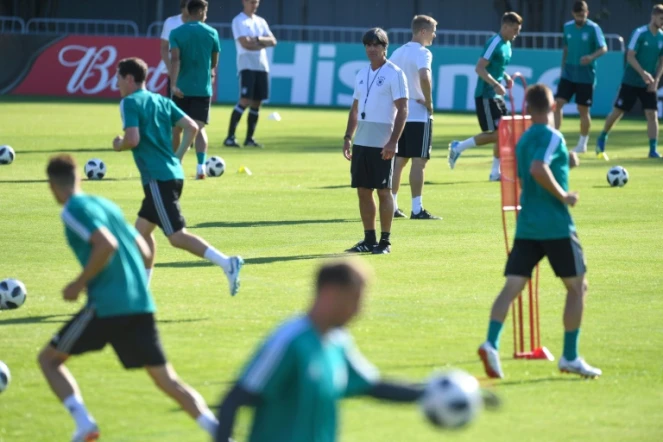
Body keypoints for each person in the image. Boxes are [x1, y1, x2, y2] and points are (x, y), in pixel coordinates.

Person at [38, 155, 219, 442]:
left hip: (108, 306)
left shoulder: (72, 210)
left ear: (52, 186)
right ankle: (221, 435)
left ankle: (84, 423)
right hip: (140, 304)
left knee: (49, 360)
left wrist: (79, 283)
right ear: (80, 177)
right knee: (168, 381)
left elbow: (106, 244)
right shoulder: (106, 205)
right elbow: (143, 249)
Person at [215, 259, 428, 442]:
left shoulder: (338, 342)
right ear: (330, 293)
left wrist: (430, 392)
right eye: (355, 299)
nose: (359, 310)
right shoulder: (290, 341)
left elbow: (372, 387)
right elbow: (233, 401)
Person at [477, 84, 601, 380]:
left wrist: (565, 160)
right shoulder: (553, 135)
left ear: (527, 108)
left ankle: (491, 342)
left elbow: (528, 168)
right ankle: (570, 356)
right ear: (554, 108)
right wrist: (564, 196)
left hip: (528, 224)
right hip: (555, 226)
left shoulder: (522, 139)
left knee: (512, 287)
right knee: (577, 287)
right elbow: (537, 169)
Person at [112, 57, 243, 296]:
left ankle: (227, 263)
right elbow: (192, 127)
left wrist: (119, 144)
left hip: (157, 178)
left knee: (176, 236)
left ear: (129, 79)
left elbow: (132, 140)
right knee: (141, 234)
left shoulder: (129, 103)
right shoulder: (161, 100)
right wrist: (179, 156)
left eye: (119, 77)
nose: (116, 82)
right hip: (171, 174)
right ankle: (142, 290)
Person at [342, 28, 408, 255]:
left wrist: (392, 142)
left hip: (383, 142)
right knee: (363, 190)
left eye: (376, 45)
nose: (372, 49)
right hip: (362, 140)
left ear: (385, 47)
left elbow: (403, 109)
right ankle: (368, 239)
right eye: (368, 45)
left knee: (383, 190)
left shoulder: (395, 73)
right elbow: (354, 108)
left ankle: (385, 242)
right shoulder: (361, 73)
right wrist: (348, 137)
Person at [448, 12, 523, 181]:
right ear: (505, 26)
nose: (516, 33)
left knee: (504, 132)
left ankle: (494, 173)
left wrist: (505, 77)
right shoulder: (494, 42)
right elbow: (480, 68)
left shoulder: (507, 44)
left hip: (496, 96)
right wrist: (496, 85)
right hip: (486, 95)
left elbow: (498, 67)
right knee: (498, 134)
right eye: (515, 29)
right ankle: (458, 147)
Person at [388, 14, 441, 220]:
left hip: (400, 114)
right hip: (418, 114)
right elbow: (424, 76)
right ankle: (417, 208)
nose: (434, 35)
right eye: (433, 31)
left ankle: (391, 205)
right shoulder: (423, 52)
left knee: (399, 160)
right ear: (423, 31)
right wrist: (428, 101)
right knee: (419, 161)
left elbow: (388, 78)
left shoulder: (397, 52)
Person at [596, 4, 663, 160]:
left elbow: (661, 60)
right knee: (618, 112)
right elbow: (630, 56)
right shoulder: (640, 33)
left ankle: (653, 150)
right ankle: (602, 137)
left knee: (652, 114)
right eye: (661, 18)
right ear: (653, 16)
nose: (662, 21)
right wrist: (643, 73)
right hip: (631, 81)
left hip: (649, 83)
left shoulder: (661, 37)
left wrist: (657, 79)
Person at [169, 0, 219, 179]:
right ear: (199, 12)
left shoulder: (176, 33)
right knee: (199, 129)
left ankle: (174, 164)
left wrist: (173, 85)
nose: (206, 15)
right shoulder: (212, 33)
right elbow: (214, 63)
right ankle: (200, 167)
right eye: (205, 12)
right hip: (203, 90)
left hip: (181, 88)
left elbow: (175, 60)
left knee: (176, 129)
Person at [554, 1, 607, 153]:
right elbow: (566, 48)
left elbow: (603, 48)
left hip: (586, 76)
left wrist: (591, 57)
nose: (580, 18)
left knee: (582, 110)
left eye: (582, 15)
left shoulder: (593, 28)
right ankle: (556, 139)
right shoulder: (567, 27)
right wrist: (562, 68)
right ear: (573, 14)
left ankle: (582, 143)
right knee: (558, 104)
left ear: (587, 13)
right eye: (578, 15)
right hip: (569, 73)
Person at [224, 0, 277, 148]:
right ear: (244, 2)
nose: (254, 4)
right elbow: (245, 44)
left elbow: (273, 41)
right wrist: (261, 44)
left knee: (257, 102)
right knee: (245, 100)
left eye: (256, 2)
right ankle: (230, 137)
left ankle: (249, 139)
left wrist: (258, 40)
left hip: (262, 66)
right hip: (246, 65)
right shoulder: (239, 20)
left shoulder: (261, 21)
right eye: (251, 2)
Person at [160, 0, 189, 152]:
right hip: (175, 73)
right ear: (183, 7)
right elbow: (164, 48)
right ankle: (171, 145)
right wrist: (170, 68)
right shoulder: (171, 22)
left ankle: (187, 139)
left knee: (191, 110)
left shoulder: (197, 23)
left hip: (192, 75)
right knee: (173, 111)